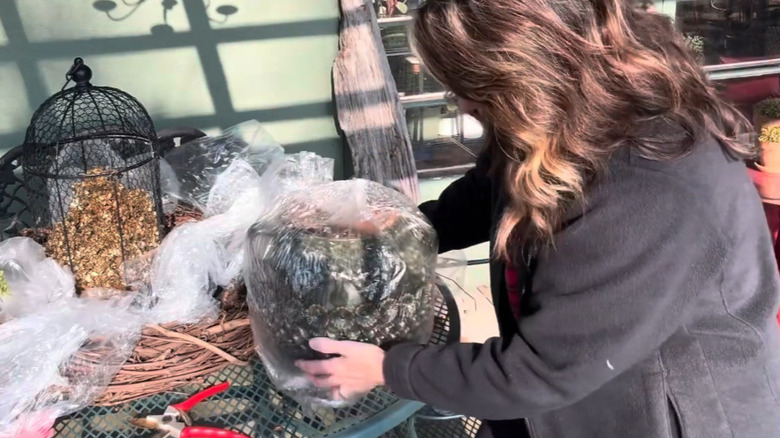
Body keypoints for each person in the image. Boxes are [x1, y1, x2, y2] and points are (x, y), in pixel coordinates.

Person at [296, 0, 780, 436]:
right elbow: (488, 190)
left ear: (525, 76)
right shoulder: (568, 116)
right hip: (563, 388)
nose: (460, 104)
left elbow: (538, 371)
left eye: (468, 88)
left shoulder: (652, 188)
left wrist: (387, 369)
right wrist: (400, 231)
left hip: (655, 415)